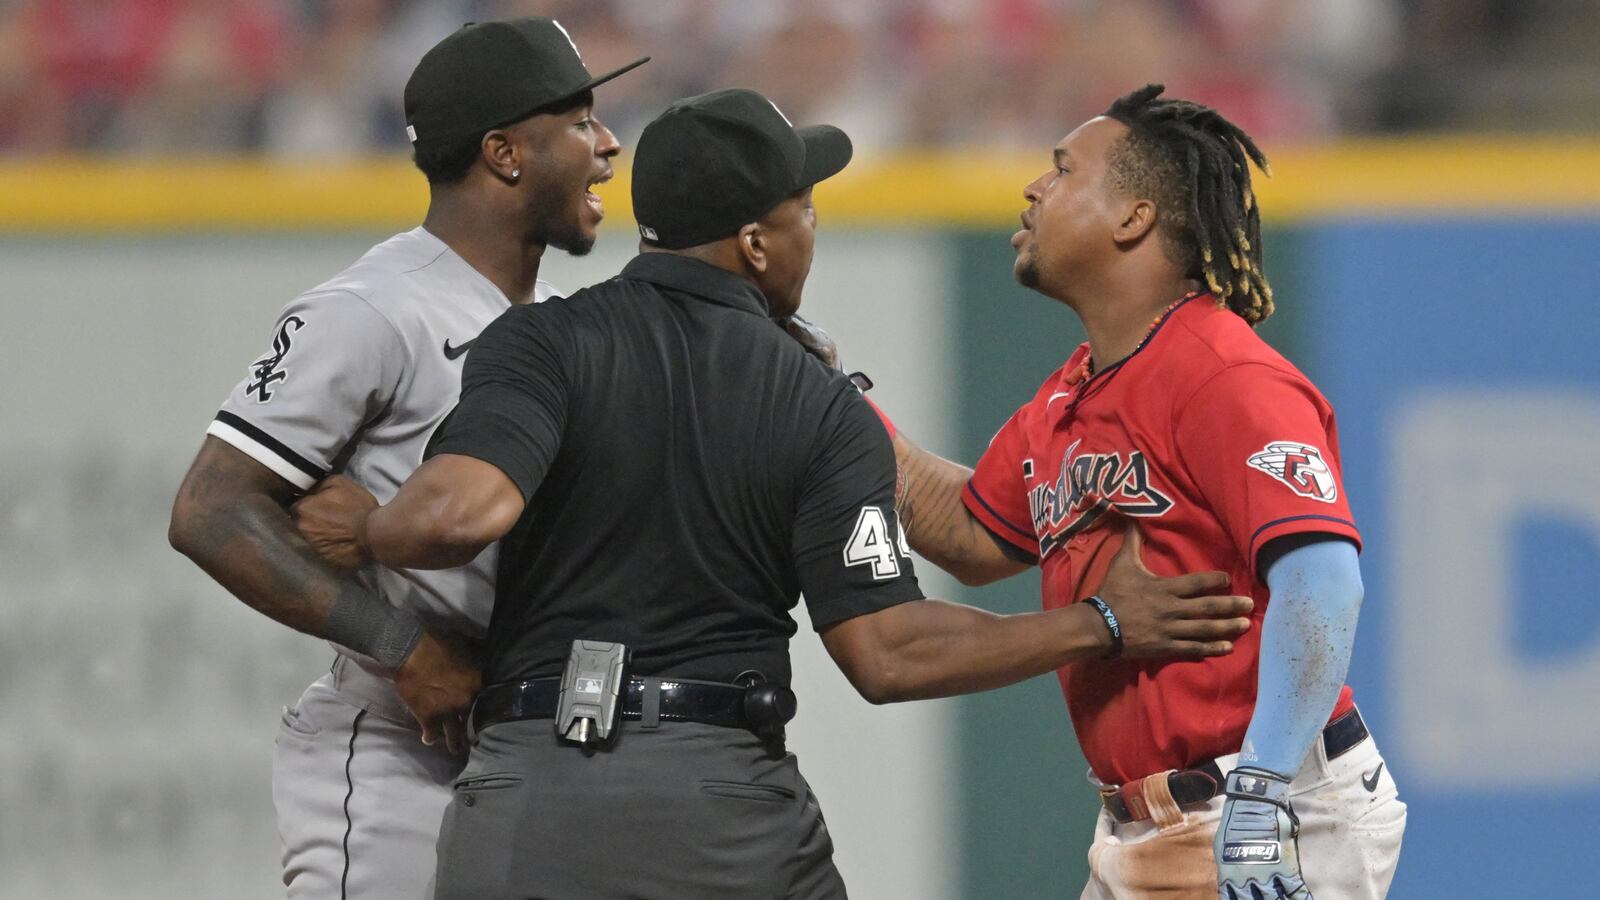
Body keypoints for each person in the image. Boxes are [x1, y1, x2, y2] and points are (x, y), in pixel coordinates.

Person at [290, 87, 1255, 900]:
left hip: (529, 800)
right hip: (720, 813)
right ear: (755, 243)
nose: (810, 232)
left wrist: (369, 527)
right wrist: (1103, 624)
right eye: (804, 211)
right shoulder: (813, 402)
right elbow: (889, 652)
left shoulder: (539, 342)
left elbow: (459, 513)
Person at [878, 85, 1407, 899]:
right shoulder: (1068, 398)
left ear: (1134, 218)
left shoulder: (1223, 375)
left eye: (1062, 170)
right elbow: (972, 539)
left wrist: (1262, 794)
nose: (1034, 187)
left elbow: (1324, 581)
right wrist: (837, 408)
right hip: (1146, 827)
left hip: (1268, 803)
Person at [166, 18, 645, 898]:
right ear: (504, 153)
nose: (609, 145)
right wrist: (406, 649)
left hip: (532, 739)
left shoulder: (558, 316)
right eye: (579, 122)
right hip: (401, 748)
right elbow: (210, 509)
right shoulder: (375, 308)